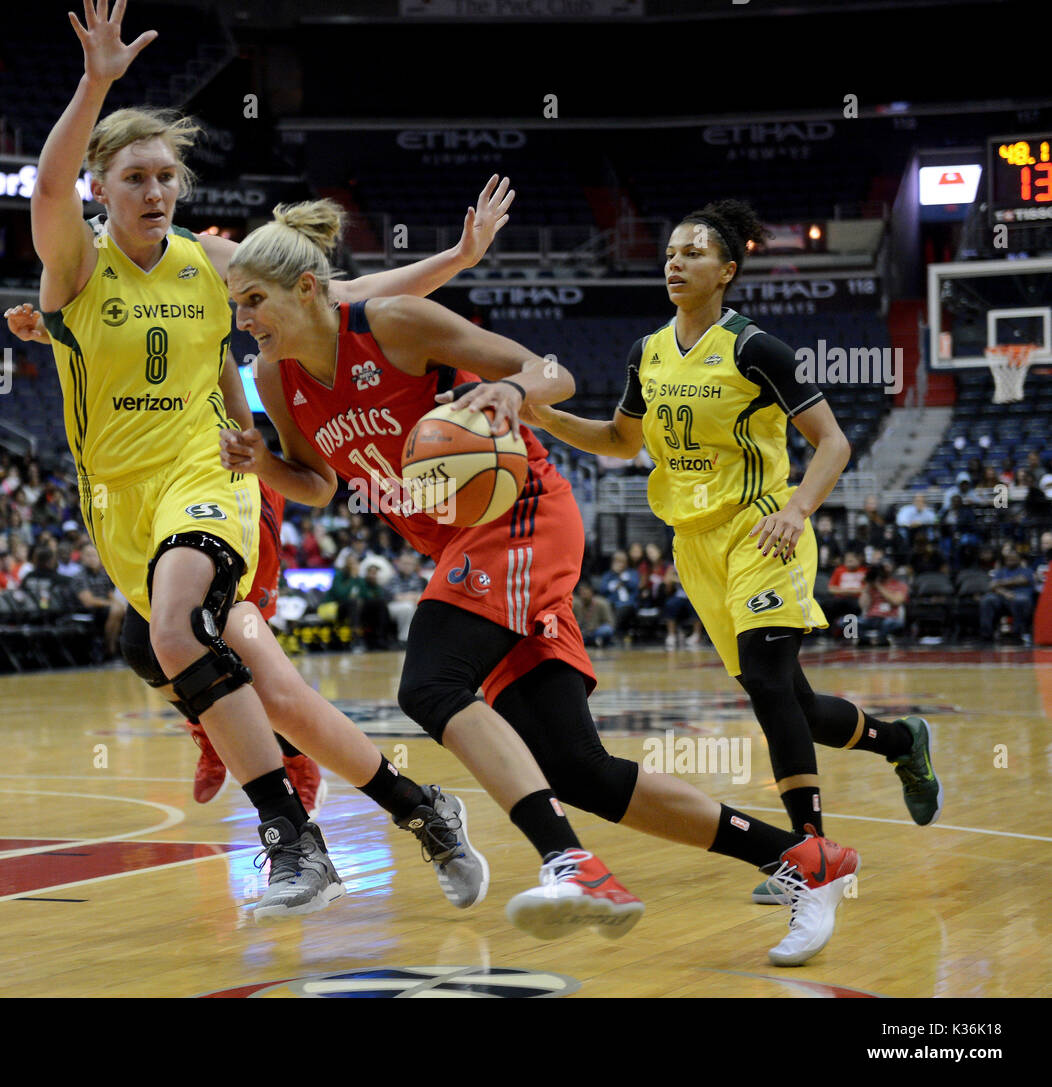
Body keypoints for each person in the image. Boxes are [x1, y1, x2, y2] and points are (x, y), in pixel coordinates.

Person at [219, 199, 864, 964]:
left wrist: (513, 393)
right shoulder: (274, 374)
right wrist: (260, 461)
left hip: (524, 514)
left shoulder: (393, 322)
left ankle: (570, 863)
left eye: (252, 300)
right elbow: (320, 485)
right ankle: (802, 861)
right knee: (576, 767)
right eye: (236, 306)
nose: (244, 318)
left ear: (306, 287)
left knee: (428, 683)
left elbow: (549, 370)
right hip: (464, 544)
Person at [21, 0, 516, 920]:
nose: (157, 191)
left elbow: (331, 292)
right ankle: (425, 807)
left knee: (173, 631)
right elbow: (46, 191)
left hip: (213, 476)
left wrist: (451, 258)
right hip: (119, 507)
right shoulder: (74, 268)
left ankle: (293, 843)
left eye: (168, 176)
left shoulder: (210, 262)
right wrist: (96, 83)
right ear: (101, 188)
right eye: (136, 177)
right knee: (278, 693)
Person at [524, 198, 943, 903]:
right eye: (670, 253)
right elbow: (622, 442)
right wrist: (546, 417)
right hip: (695, 546)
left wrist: (796, 507)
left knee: (771, 686)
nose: (676, 262)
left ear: (727, 270)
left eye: (692, 252)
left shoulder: (757, 349)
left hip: (763, 528)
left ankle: (810, 857)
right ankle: (902, 741)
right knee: (792, 704)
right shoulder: (648, 353)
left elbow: (833, 442)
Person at [980, 543, 1036, 645]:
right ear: (1005, 560)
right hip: (1003, 597)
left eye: (1014, 559)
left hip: (1020, 596)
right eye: (1009, 559)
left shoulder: (1026, 570)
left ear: (1019, 560)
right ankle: (987, 634)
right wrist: (1005, 593)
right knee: (988, 599)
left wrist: (1001, 583)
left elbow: (1022, 580)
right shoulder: (1001, 571)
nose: (1011, 561)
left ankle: (1018, 633)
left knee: (1020, 600)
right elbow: (992, 586)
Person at [858, 561, 908, 645]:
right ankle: (866, 640)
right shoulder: (870, 586)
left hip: (889, 617)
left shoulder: (899, 584)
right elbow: (863, 606)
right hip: (871, 618)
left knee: (889, 623)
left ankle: (880, 640)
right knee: (846, 622)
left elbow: (896, 602)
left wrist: (879, 586)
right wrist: (867, 586)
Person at [572, 580, 615, 648]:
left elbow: (610, 623)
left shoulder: (602, 603)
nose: (584, 593)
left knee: (607, 630)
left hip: (595, 632)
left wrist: (595, 628)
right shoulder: (576, 604)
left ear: (591, 592)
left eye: (586, 591)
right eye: (582, 591)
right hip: (581, 632)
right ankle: (593, 642)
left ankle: (590, 641)